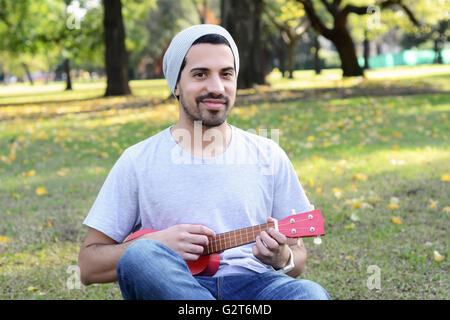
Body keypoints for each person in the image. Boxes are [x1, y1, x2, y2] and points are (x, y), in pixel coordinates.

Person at [78, 24, 330, 300]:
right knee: (142, 257)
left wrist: (281, 257)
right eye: (200, 75)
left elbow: (299, 257)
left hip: (256, 289)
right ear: (176, 84)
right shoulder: (137, 161)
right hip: (177, 289)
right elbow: (88, 267)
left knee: (310, 294)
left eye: (226, 74)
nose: (216, 87)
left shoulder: (269, 155)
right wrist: (157, 243)